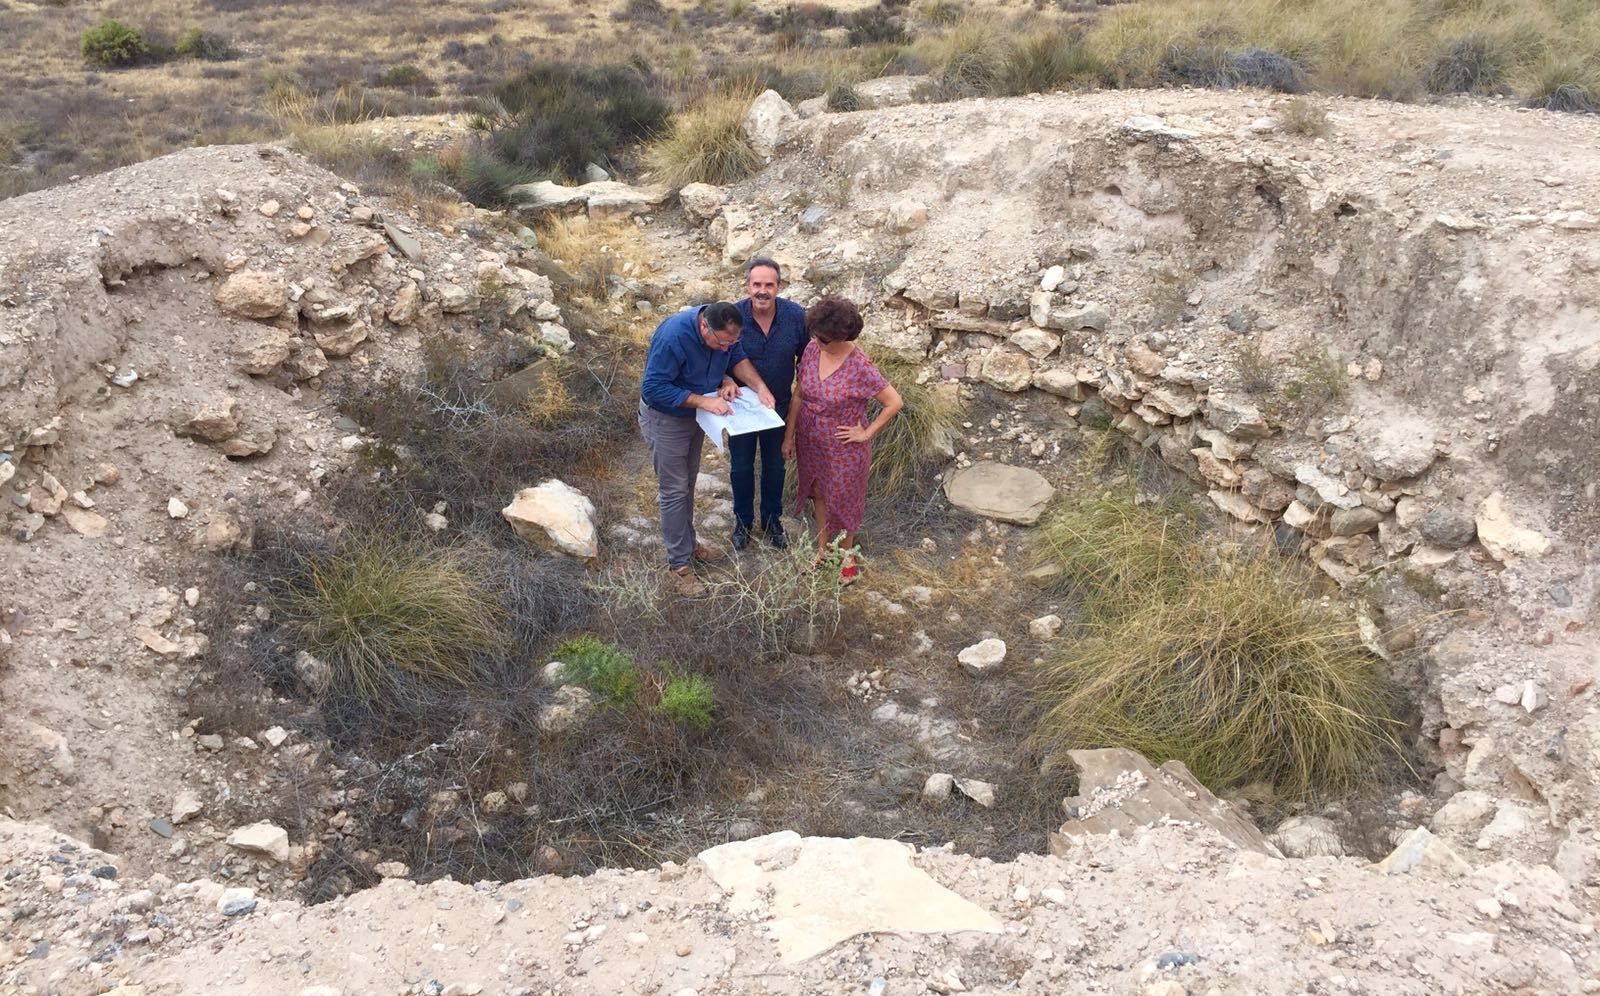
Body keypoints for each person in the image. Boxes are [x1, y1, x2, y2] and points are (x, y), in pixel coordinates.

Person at [639, 301, 777, 597]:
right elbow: (653, 387)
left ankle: (688, 546)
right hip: (666, 419)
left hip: (695, 418)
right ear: (704, 327)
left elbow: (733, 359)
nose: (728, 348)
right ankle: (679, 566)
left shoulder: (723, 334)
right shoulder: (673, 336)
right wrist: (704, 401)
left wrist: (731, 380)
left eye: (732, 341)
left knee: (687, 485)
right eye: (723, 342)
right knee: (674, 490)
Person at [781, 297, 904, 586]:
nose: (816, 341)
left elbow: (894, 402)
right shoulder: (812, 349)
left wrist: (866, 432)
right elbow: (799, 394)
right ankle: (824, 551)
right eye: (814, 334)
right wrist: (789, 435)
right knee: (819, 494)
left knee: (844, 501)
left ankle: (846, 556)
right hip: (810, 439)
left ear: (842, 336)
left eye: (824, 338)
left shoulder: (859, 365)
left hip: (844, 446)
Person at [730, 257, 808, 551]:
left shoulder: (796, 316)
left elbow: (808, 360)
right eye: (757, 284)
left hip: (779, 407)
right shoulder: (733, 315)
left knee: (775, 467)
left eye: (769, 285)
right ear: (747, 285)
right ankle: (743, 522)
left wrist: (802, 395)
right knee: (741, 467)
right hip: (742, 409)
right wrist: (725, 380)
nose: (762, 291)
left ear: (779, 286)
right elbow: (719, 355)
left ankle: (772, 521)